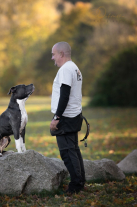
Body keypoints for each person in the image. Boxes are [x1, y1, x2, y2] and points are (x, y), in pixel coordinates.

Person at [50, 41, 86, 194]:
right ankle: (80, 181)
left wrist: (57, 117)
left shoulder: (65, 69)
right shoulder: (75, 68)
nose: (52, 58)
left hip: (65, 117)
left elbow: (64, 95)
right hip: (74, 115)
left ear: (61, 54)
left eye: (54, 54)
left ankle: (76, 186)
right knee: (74, 150)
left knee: (67, 152)